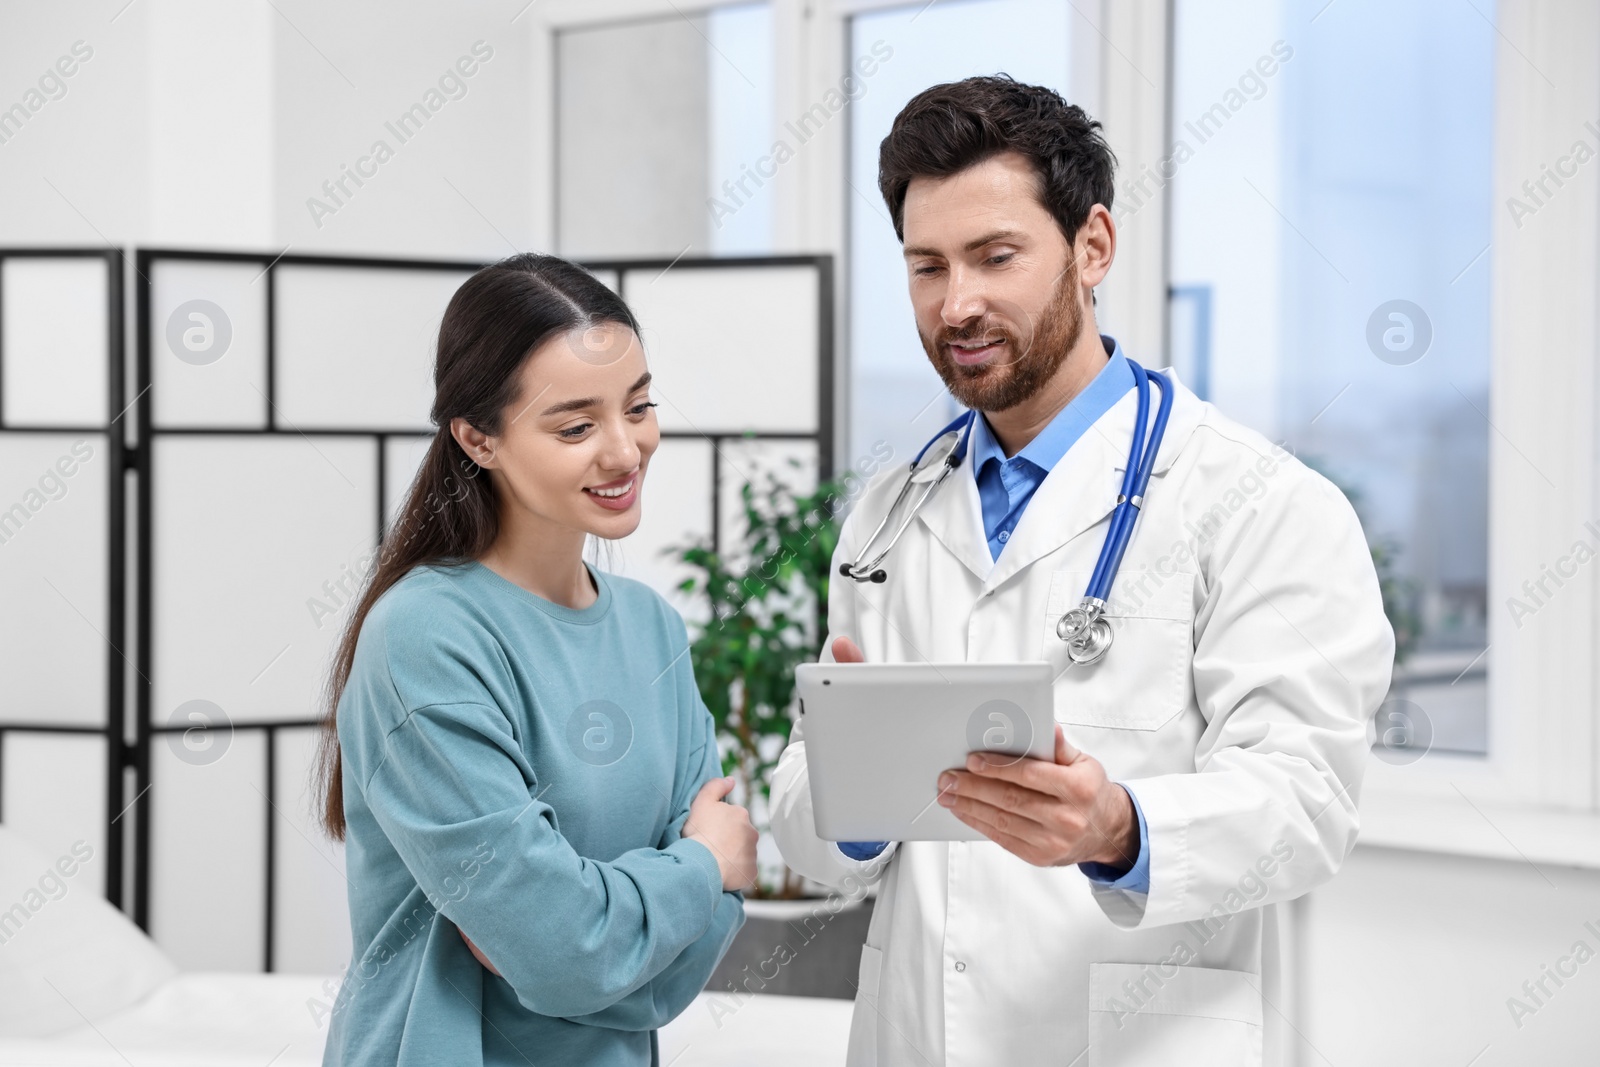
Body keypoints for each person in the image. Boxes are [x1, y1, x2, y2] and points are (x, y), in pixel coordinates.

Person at [769, 75, 1395, 1066]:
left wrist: (1118, 823)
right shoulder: (887, 519)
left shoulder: (1262, 503)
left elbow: (1306, 803)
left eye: (995, 256)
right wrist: (844, 800)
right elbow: (810, 828)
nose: (956, 302)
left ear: (1091, 246)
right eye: (925, 266)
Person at [312, 253, 756, 1067]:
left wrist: (587, 935)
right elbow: (569, 948)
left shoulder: (653, 630)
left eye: (640, 406)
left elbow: (649, 968)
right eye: (576, 426)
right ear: (479, 437)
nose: (625, 451)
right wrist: (699, 865)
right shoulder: (424, 638)